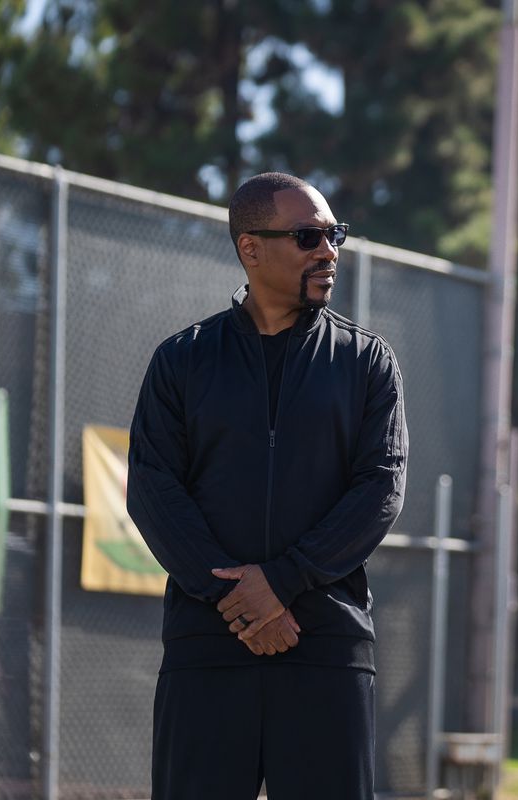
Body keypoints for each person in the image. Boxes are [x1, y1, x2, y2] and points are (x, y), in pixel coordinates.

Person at [127, 172, 407, 800]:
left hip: (324, 649)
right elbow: (151, 489)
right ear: (250, 247)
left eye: (334, 235)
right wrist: (236, 598)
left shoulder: (367, 363)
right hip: (209, 649)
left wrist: (281, 582)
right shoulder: (182, 360)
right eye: (309, 236)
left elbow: (380, 489)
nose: (328, 251)